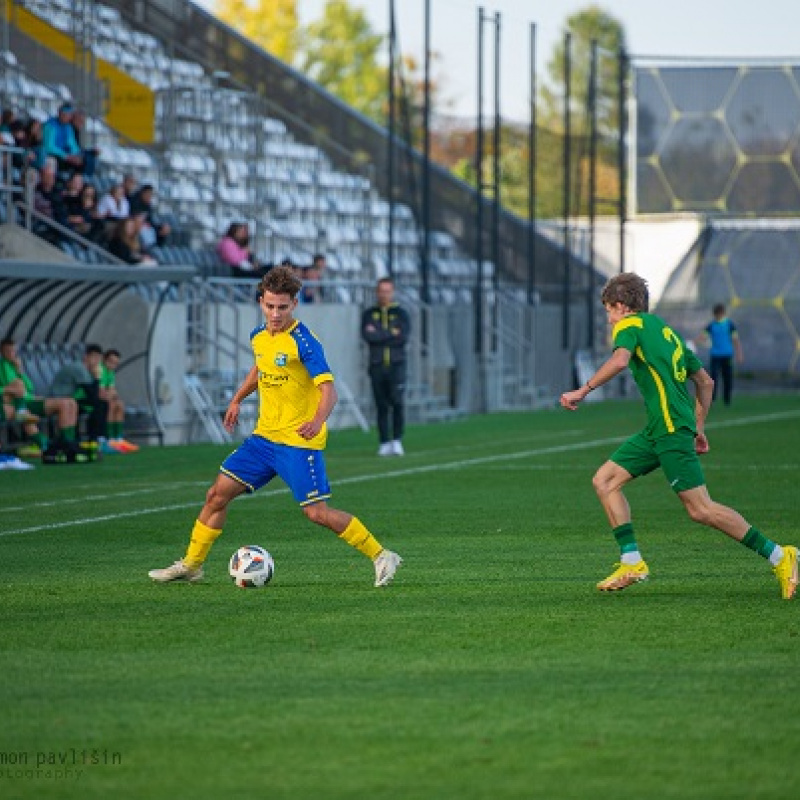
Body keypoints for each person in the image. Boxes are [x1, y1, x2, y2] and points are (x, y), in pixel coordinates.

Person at [149, 266, 402, 588]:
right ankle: (192, 565)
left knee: (317, 514)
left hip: (298, 442)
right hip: (263, 439)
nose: (275, 313)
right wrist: (237, 399)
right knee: (216, 496)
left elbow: (330, 391)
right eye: (270, 306)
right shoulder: (259, 336)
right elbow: (260, 368)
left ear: (294, 304)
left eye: (282, 307)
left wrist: (316, 421)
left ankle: (381, 555)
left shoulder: (304, 342)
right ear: (261, 302)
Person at [559, 273, 797, 600]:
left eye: (608, 311)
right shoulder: (666, 331)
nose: (608, 318)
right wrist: (698, 427)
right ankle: (632, 562)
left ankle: (781, 556)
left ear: (620, 306)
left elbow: (620, 360)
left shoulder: (627, 326)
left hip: (670, 429)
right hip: (663, 428)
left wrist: (583, 390)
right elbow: (706, 382)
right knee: (605, 481)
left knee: (701, 509)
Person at [0, 337, 80, 456]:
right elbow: (15, 388)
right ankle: (61, 443)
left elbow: (30, 387)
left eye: (13, 351)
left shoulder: (14, 365)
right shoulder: (2, 366)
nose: (11, 354)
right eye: (8, 351)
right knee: (63, 404)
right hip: (18, 403)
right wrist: (8, 389)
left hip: (27, 400)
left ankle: (69, 440)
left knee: (71, 402)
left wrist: (19, 370)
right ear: (2, 352)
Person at [361, 277, 411, 456]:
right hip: (377, 365)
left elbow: (402, 337)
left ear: (393, 292)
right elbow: (368, 337)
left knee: (397, 402)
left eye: (387, 291)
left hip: (397, 365)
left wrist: (380, 334)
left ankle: (397, 440)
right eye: (381, 291)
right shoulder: (369, 313)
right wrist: (390, 333)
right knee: (381, 404)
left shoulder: (401, 314)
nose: (384, 294)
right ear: (377, 292)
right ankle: (383, 441)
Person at [49, 343, 109, 447]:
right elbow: (92, 394)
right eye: (94, 357)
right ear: (86, 357)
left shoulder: (85, 369)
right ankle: (94, 438)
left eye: (98, 358)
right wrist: (97, 377)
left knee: (102, 403)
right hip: (57, 399)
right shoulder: (79, 368)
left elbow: (92, 393)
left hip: (68, 400)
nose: (96, 362)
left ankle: (99, 437)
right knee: (98, 404)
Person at [701, 303, 743, 406]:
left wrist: (739, 353)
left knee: (727, 377)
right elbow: (703, 336)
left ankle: (727, 399)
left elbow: (735, 340)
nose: (718, 316)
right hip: (715, 355)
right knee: (713, 378)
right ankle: (713, 399)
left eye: (719, 314)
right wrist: (692, 343)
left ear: (723, 313)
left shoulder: (729, 324)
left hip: (727, 355)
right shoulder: (711, 325)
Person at [100, 348, 139, 452]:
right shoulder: (100, 370)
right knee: (111, 404)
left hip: (105, 398)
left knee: (120, 404)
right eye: (110, 362)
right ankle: (110, 438)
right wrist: (111, 394)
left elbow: (113, 391)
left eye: (115, 363)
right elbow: (102, 392)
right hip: (93, 400)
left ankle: (119, 438)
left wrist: (112, 394)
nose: (113, 365)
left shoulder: (110, 372)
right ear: (104, 360)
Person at [42, 102, 83, 176]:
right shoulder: (50, 125)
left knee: (83, 161)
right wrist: (66, 156)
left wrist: (76, 155)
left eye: (69, 115)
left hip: (66, 156)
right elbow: (49, 147)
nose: (67, 117)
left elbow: (72, 144)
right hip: (52, 155)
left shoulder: (68, 127)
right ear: (60, 114)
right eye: (65, 115)